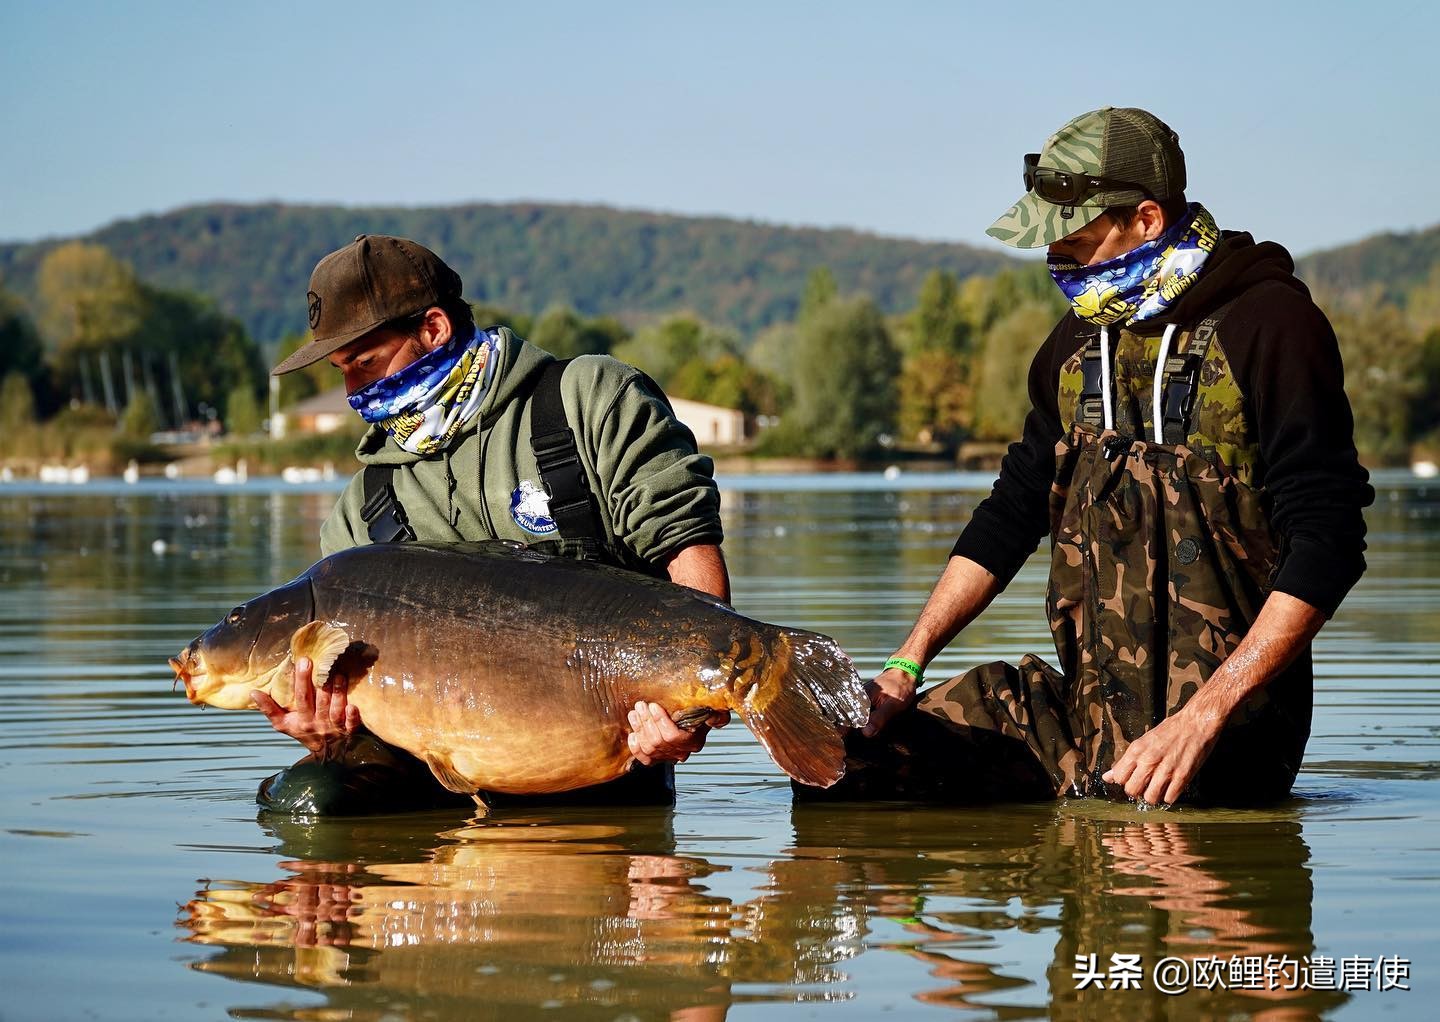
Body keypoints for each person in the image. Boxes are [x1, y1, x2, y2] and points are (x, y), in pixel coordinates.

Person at [844, 107, 1373, 807]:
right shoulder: (1072, 345)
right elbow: (1010, 514)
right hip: (1082, 720)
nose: (1057, 263)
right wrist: (906, 664)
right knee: (844, 761)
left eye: (1076, 242)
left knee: (1150, 831)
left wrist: (1206, 715)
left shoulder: (1271, 325)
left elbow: (1330, 540)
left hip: (1221, 737)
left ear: (1146, 218)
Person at [254, 234, 731, 812]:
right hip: (435, 763)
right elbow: (352, 712)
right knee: (308, 799)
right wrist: (323, 731)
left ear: (433, 329)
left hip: (604, 744)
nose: (354, 391)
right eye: (342, 371)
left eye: (366, 363)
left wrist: (693, 707)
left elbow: (687, 546)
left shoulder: (587, 399)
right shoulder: (363, 510)